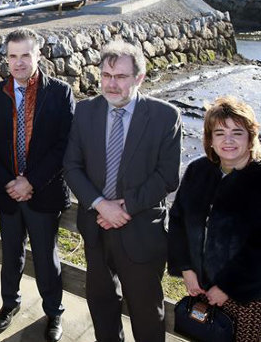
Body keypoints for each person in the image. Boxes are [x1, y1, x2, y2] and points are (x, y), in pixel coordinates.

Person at [64, 40, 182, 342]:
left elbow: (167, 177)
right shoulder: (86, 111)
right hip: (96, 229)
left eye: (120, 77)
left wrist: (124, 208)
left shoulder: (165, 117)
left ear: (139, 78)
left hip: (141, 231)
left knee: (146, 314)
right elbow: (72, 167)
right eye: (106, 75)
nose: (111, 84)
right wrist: (102, 205)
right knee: (102, 306)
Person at [168, 96, 261, 342]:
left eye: (237, 132)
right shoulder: (197, 171)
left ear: (250, 137)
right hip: (202, 287)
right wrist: (186, 268)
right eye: (219, 133)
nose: (228, 140)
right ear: (210, 139)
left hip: (247, 295)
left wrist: (228, 288)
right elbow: (178, 221)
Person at [0, 28, 75, 342]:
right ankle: (9, 304)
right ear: (6, 59)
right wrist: (10, 182)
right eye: (12, 56)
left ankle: (54, 313)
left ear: (38, 55)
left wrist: (30, 181)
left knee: (47, 259)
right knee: (10, 256)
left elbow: (64, 146)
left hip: (42, 192)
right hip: (8, 194)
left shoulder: (60, 93)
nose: (18, 63)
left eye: (25, 55)